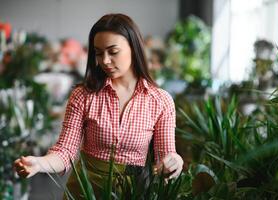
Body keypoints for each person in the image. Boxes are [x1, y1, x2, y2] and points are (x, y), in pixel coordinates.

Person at [14, 13, 183, 198]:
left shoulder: (160, 100)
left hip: (133, 192)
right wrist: (40, 164)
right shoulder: (84, 95)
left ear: (134, 48)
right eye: (98, 52)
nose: (105, 61)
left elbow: (166, 155)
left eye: (113, 51)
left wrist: (174, 162)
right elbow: (65, 151)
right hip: (85, 190)